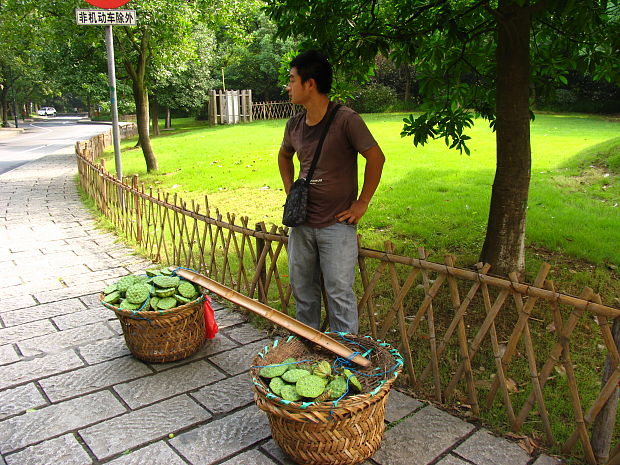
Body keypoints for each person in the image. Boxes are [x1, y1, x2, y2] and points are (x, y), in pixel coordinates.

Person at [278, 50, 386, 334]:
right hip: (301, 224)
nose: (288, 87)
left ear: (309, 84)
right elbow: (284, 156)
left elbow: (376, 157)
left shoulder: (346, 120)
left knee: (339, 295)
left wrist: (362, 203)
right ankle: (307, 352)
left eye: (292, 80)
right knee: (303, 293)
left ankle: (346, 358)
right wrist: (291, 191)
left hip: (337, 224)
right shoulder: (295, 125)